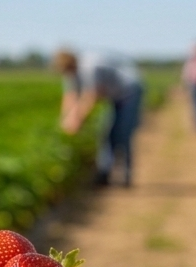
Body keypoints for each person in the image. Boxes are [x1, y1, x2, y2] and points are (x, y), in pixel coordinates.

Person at [54, 48, 145, 187]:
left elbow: (91, 95)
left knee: (122, 133)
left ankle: (126, 174)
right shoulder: (71, 73)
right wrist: (65, 119)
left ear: (71, 64)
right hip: (114, 96)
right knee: (105, 133)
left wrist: (77, 120)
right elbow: (70, 96)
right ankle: (104, 173)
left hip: (129, 92)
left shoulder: (89, 67)